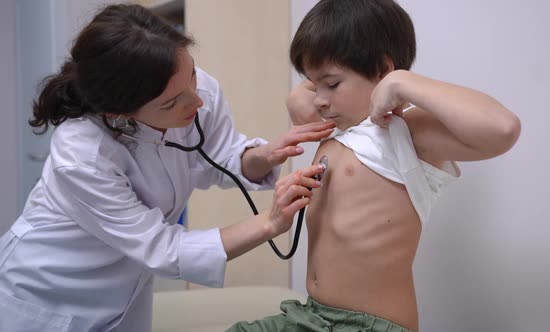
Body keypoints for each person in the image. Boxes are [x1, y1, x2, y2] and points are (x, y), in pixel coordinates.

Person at [0, 4, 336, 332]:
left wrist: (263, 154)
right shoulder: (83, 155)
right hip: (50, 295)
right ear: (122, 112)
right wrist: (270, 222)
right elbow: (163, 249)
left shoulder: (190, 87)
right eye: (172, 102)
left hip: (127, 294)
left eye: (192, 75)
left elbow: (220, 157)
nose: (197, 99)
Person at [228, 0, 521, 331]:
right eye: (315, 83)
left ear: (383, 70)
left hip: (369, 326)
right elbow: (296, 100)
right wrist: (331, 66)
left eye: (332, 83)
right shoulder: (335, 126)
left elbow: (502, 128)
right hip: (311, 315)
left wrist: (399, 82)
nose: (319, 98)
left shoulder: (405, 133)